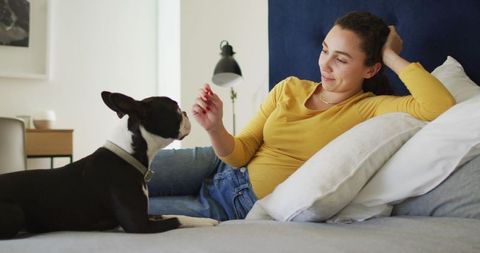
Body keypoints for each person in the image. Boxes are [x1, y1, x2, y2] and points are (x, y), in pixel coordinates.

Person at [147, 11, 455, 221]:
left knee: (124, 208)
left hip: (234, 203)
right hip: (215, 162)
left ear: (371, 69)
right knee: (114, 166)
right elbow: (240, 153)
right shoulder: (289, 87)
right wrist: (215, 128)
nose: (325, 64)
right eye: (325, 50)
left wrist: (389, 55)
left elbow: (438, 105)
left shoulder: (368, 108)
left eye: (342, 59)